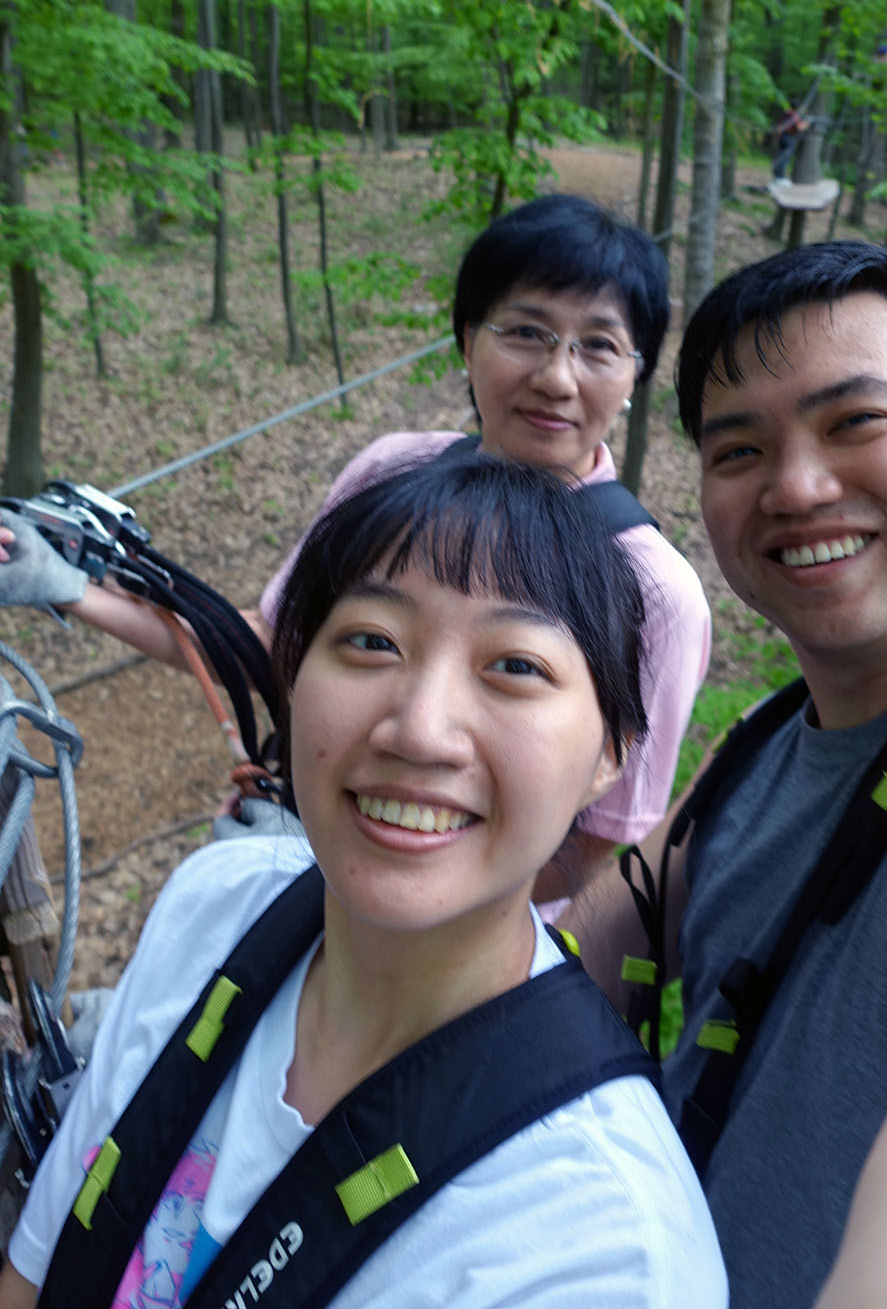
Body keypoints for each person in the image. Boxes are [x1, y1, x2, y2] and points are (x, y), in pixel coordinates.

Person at [0, 457, 727, 1309]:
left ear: (611, 755)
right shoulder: (219, 906)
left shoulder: (602, 1252)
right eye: (373, 642)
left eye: (516, 666)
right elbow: (33, 1278)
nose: (420, 731)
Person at [564, 239, 887, 1309]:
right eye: (740, 450)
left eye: (856, 423)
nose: (796, 487)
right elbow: (583, 954)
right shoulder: (772, 735)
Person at [0, 195, 711, 908]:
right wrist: (69, 587)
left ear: (635, 374)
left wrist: (353, 895)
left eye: (599, 346)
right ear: (468, 341)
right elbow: (271, 646)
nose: (557, 377)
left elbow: (594, 844)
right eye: (526, 332)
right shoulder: (392, 473)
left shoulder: (655, 592)